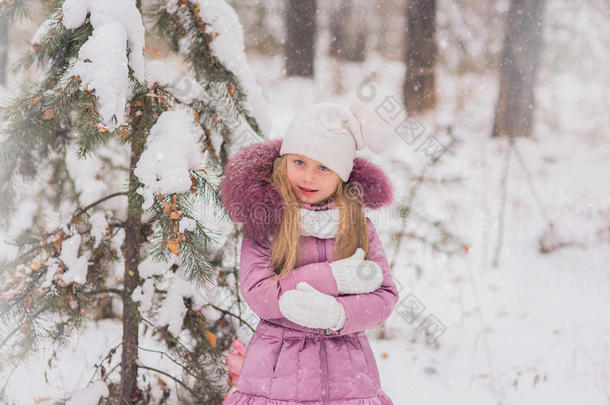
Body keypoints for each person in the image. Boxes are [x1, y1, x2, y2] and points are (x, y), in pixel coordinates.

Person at [219, 102, 400, 404]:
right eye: (299, 163)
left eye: (323, 167)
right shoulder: (266, 220)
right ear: (284, 161)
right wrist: (332, 278)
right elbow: (259, 294)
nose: (308, 178)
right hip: (277, 378)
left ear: (341, 175)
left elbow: (384, 296)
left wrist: (340, 314)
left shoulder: (358, 226)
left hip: (348, 378)